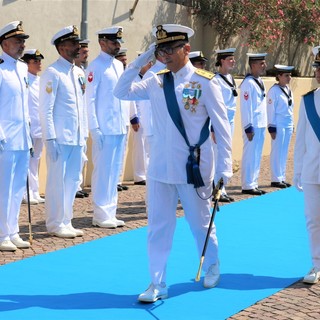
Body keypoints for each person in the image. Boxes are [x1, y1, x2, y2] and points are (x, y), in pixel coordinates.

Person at [114, 23, 233, 302]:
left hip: (193, 168)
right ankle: (157, 282)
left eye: (170, 48)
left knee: (200, 223)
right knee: (158, 225)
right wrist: (143, 59)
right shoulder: (156, 80)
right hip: (159, 167)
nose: (165, 54)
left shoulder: (205, 82)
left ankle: (213, 264)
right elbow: (122, 91)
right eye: (161, 49)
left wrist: (225, 168)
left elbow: (222, 127)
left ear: (186, 49)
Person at [39, 25, 88, 238]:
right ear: (61, 48)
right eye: (73, 44)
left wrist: (84, 135)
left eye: (78, 43)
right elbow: (46, 108)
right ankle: (55, 222)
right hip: (60, 138)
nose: (78, 47)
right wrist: (50, 138)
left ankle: (66, 220)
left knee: (72, 182)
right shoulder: (53, 72)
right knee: (57, 182)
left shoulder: (78, 72)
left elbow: (82, 107)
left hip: (76, 138)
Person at [86, 26, 127, 229]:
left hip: (119, 126)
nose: (117, 45)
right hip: (104, 128)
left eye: (118, 42)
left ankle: (111, 211)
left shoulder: (119, 66)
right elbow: (90, 100)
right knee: (103, 171)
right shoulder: (95, 67)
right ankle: (100, 214)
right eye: (113, 42)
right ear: (102, 43)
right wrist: (95, 128)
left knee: (115, 171)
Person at [0, 21, 32, 251]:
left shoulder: (22, 68)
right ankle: (2, 234)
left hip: (22, 138)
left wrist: (29, 135)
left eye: (23, 41)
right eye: (18, 40)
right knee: (4, 187)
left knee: (18, 187)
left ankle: (13, 231)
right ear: (4, 43)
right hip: (5, 139)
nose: (22, 45)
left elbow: (24, 106)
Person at [294, 46, 320, 284]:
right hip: (313, 170)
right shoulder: (308, 100)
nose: (319, 72)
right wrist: (298, 171)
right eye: (317, 67)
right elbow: (301, 138)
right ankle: (316, 263)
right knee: (313, 218)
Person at [240, 53, 268, 195]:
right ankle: (247, 184)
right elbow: (246, 107)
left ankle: (253, 183)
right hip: (253, 125)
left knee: (256, 155)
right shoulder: (248, 83)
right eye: (261, 63)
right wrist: (248, 126)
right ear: (253, 65)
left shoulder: (260, 81)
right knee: (250, 154)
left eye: (264, 63)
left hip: (261, 123)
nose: (265, 66)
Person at [21, 49, 45, 205]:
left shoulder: (41, 81)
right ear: (27, 63)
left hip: (40, 127)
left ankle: (35, 191)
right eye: (35, 61)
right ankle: (26, 192)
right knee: (27, 162)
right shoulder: (25, 80)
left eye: (39, 61)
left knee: (36, 161)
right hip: (29, 126)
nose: (39, 64)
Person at [213, 48, 238, 202]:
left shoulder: (231, 78)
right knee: (220, 157)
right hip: (219, 123)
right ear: (221, 61)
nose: (233, 61)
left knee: (225, 156)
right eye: (230, 59)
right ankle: (217, 190)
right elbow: (214, 105)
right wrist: (213, 128)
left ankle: (222, 188)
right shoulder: (215, 80)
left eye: (233, 59)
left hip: (230, 121)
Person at [267, 64, 294, 189]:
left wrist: (292, 124)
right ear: (279, 76)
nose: (289, 78)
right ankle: (275, 179)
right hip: (278, 124)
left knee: (284, 152)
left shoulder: (288, 89)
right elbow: (271, 109)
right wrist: (271, 126)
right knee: (277, 151)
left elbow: (291, 108)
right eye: (287, 75)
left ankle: (282, 177)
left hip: (287, 124)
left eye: (290, 75)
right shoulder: (274, 91)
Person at [130, 57, 153, 186]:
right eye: (148, 63)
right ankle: (139, 175)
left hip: (148, 117)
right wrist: (134, 117)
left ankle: (147, 172)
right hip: (138, 117)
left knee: (148, 148)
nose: (150, 65)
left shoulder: (148, 78)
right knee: (140, 148)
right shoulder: (134, 78)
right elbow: (131, 99)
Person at [74, 39, 90, 198]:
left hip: (84, 121)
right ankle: (76, 186)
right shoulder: (73, 71)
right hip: (75, 123)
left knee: (82, 155)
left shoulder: (82, 72)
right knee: (77, 156)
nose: (86, 55)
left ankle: (79, 184)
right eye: (84, 52)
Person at [115, 47, 130, 192]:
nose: (124, 63)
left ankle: (118, 180)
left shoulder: (126, 75)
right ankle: (114, 181)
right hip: (114, 121)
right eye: (122, 60)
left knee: (122, 153)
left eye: (125, 60)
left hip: (124, 118)